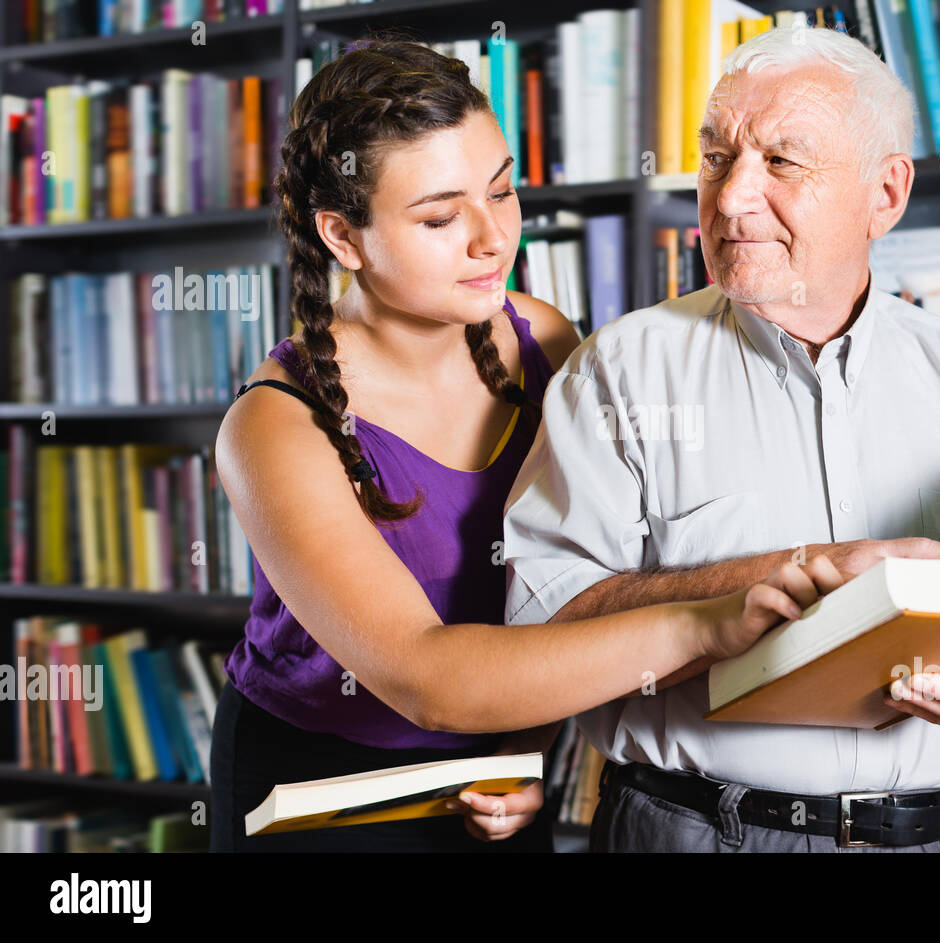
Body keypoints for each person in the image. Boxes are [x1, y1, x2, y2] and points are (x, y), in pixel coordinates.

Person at [210, 39, 842, 853]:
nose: (491, 238)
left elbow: (569, 584)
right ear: (343, 235)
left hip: (496, 763)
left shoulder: (543, 338)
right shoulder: (273, 427)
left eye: (502, 191)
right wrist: (704, 624)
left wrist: (529, 746)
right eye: (440, 217)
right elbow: (428, 676)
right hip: (323, 789)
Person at [501, 26, 940, 853]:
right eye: (717, 157)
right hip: (695, 831)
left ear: (884, 196)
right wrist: (788, 580)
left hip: (936, 836)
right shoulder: (618, 372)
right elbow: (541, 624)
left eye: (781, 161)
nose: (732, 196)